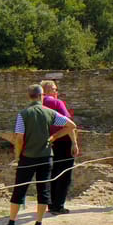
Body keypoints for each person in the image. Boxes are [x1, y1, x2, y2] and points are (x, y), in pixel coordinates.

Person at [0, 85, 76, 225]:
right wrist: (53, 137)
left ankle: (11, 224)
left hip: (27, 157)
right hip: (46, 157)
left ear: (29, 97)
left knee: (19, 190)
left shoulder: (23, 114)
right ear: (41, 96)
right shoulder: (50, 112)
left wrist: (18, 155)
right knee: (43, 191)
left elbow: (19, 138)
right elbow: (71, 125)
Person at [40, 80, 81, 216]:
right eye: (55, 89)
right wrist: (74, 143)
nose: (56, 92)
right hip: (62, 141)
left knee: (52, 173)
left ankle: (51, 204)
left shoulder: (38, 105)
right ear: (49, 90)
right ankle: (58, 206)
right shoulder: (57, 103)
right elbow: (69, 125)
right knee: (64, 174)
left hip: (47, 142)